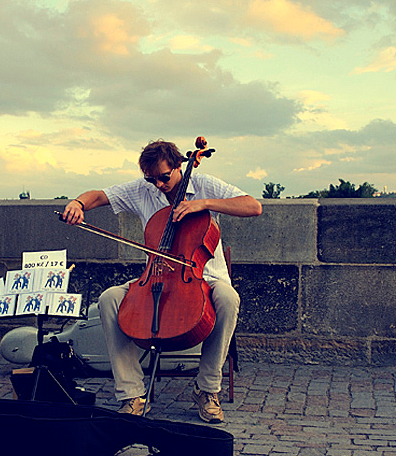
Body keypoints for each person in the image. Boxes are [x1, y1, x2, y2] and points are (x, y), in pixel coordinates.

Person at [61, 140, 261, 423]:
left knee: (229, 299)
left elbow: (253, 206)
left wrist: (202, 204)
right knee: (109, 299)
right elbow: (99, 195)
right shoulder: (144, 189)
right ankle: (131, 394)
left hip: (207, 276)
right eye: (151, 179)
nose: (157, 184)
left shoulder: (204, 184)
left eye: (164, 178)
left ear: (179, 166)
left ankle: (206, 390)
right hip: (156, 277)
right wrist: (77, 203)